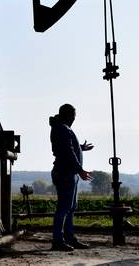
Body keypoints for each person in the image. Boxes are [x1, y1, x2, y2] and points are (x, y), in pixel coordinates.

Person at [49, 103, 94, 251]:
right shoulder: (62, 129)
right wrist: (80, 170)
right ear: (67, 115)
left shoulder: (61, 128)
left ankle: (69, 238)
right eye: (73, 116)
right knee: (64, 208)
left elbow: (68, 148)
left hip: (69, 173)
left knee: (70, 207)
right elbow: (68, 152)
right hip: (65, 173)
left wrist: (80, 147)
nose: (74, 119)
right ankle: (58, 240)